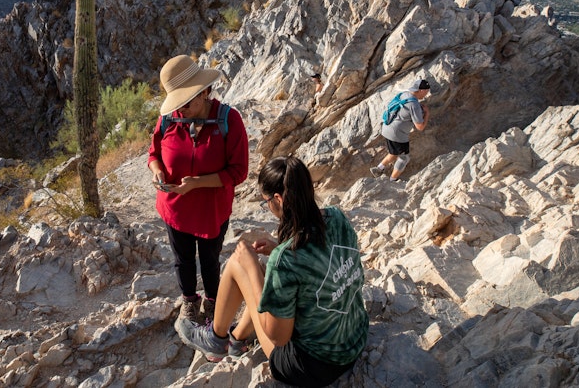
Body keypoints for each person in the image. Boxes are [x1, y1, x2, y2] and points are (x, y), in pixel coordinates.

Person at [176, 156, 369, 388]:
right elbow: (319, 262)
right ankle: (236, 341)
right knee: (268, 278)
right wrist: (278, 247)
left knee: (241, 263)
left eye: (266, 200)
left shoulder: (286, 259)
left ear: (278, 199)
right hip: (353, 340)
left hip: (313, 367)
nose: (267, 206)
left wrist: (254, 273)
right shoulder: (336, 217)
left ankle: (216, 339)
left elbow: (278, 337)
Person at [148, 55, 249, 325]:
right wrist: (157, 171)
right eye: (178, 101)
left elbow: (238, 171)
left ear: (205, 91)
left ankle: (213, 303)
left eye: (188, 100)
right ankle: (189, 301)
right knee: (183, 261)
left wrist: (196, 183)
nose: (182, 108)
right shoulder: (169, 119)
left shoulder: (229, 120)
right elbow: (153, 153)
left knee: (209, 260)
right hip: (175, 208)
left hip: (211, 211)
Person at [370, 78, 431, 181]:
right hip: (398, 134)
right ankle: (392, 180)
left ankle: (378, 169)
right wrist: (427, 114)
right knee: (404, 158)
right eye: (427, 91)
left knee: (394, 153)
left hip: (387, 127)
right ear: (421, 90)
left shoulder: (405, 94)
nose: (427, 94)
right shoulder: (414, 105)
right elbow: (420, 127)